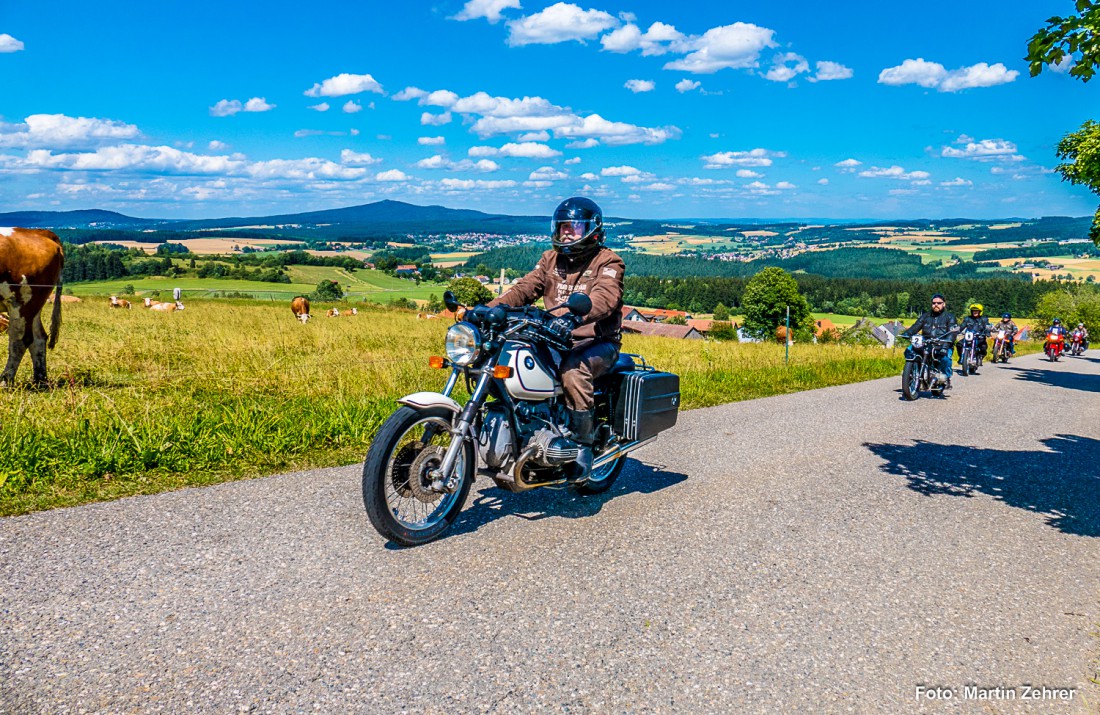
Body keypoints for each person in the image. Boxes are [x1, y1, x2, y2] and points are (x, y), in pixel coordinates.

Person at [487, 197, 625, 482]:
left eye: (574, 228)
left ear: (593, 230)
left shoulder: (608, 261)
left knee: (574, 371)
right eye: (563, 227)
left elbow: (606, 297)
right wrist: (490, 310)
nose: (566, 234)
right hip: (555, 337)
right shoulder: (551, 259)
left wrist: (576, 317)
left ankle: (583, 446)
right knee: (506, 357)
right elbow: (526, 288)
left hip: (596, 342)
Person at [901, 293, 958, 388]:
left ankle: (946, 378)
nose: (936, 305)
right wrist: (907, 333)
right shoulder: (925, 316)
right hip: (926, 343)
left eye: (939, 303)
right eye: (934, 303)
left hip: (942, 344)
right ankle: (911, 371)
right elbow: (916, 326)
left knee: (945, 358)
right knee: (909, 350)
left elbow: (952, 333)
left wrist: (945, 346)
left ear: (944, 304)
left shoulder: (950, 317)